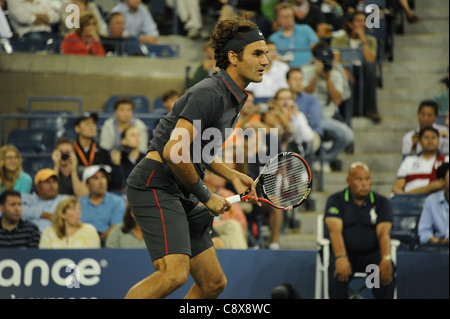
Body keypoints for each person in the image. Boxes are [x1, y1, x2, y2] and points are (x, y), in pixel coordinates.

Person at [124, 16, 265, 299]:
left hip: (181, 188)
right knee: (174, 274)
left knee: (213, 283)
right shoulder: (209, 92)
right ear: (234, 57)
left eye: (266, 54)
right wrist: (206, 195)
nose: (265, 61)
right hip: (156, 183)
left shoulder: (234, 97)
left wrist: (231, 174)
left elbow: (196, 151)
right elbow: (174, 153)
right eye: (257, 53)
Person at [324, 161, 396, 299]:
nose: (364, 184)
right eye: (359, 179)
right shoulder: (336, 200)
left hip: (371, 259)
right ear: (348, 181)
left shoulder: (381, 202)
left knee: (385, 270)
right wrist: (341, 257)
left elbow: (383, 233)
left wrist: (386, 258)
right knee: (337, 270)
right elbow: (334, 231)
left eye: (367, 179)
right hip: (347, 256)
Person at [302, 42, 354, 172]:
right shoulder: (306, 71)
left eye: (327, 61)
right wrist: (316, 75)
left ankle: (324, 159)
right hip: (307, 117)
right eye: (322, 61)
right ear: (316, 60)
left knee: (348, 135)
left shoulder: (335, 74)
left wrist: (327, 79)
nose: (325, 64)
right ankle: (315, 160)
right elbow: (304, 95)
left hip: (327, 117)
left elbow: (337, 100)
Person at [331, 11, 381, 123]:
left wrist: (363, 39)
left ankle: (371, 110)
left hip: (363, 70)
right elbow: (335, 60)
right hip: (345, 70)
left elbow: (370, 59)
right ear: (350, 24)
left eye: (364, 21)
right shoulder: (338, 40)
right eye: (358, 20)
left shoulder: (371, 40)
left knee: (370, 67)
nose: (362, 23)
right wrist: (345, 72)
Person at [72, 112, 122, 191]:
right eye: (87, 124)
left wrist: (116, 166)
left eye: (93, 124)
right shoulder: (71, 152)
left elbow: (114, 184)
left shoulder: (103, 153)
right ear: (77, 128)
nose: (92, 127)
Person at [392, 126, 449, 195]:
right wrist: (428, 188)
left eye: (433, 137)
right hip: (409, 202)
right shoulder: (409, 160)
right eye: (426, 138)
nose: (430, 141)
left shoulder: (446, 160)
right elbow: (396, 188)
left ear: (438, 141)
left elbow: (442, 185)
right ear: (419, 141)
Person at [80, 165, 126, 243]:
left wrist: (97, 241)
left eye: (103, 177)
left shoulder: (117, 201)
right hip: (82, 244)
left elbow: (116, 227)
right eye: (96, 178)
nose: (101, 182)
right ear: (87, 184)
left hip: (110, 244)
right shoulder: (78, 204)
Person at [203, 169, 248, 250]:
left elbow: (241, 222)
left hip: (225, 235)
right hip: (204, 231)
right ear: (206, 175)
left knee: (229, 233)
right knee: (232, 225)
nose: (222, 177)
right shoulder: (198, 194)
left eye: (222, 175)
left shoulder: (229, 194)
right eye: (217, 174)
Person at [286, 67, 323, 158]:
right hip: (286, 133)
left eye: (301, 79)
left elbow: (314, 121)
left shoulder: (311, 99)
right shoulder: (282, 97)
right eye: (295, 79)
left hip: (309, 133)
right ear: (287, 81)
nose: (299, 83)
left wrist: (295, 114)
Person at [269, 2, 319, 68]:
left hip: (310, 67)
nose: (288, 19)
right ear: (278, 19)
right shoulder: (273, 39)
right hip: (285, 71)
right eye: (284, 17)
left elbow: (317, 48)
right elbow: (272, 57)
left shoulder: (306, 29)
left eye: (290, 16)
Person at [21, 168, 69, 233]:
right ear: (37, 186)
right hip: (30, 238)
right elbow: (12, 212)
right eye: (47, 182)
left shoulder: (65, 200)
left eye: (54, 182)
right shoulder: (26, 199)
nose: (52, 185)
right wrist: (45, 215)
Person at [417, 163, 449, 245]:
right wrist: (437, 241)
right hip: (439, 247)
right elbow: (424, 232)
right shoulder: (431, 201)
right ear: (442, 181)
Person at [110, 125, 146, 190]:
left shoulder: (146, 158)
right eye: (132, 135)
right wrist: (117, 165)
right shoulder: (120, 160)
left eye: (138, 135)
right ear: (124, 141)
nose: (137, 138)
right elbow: (115, 185)